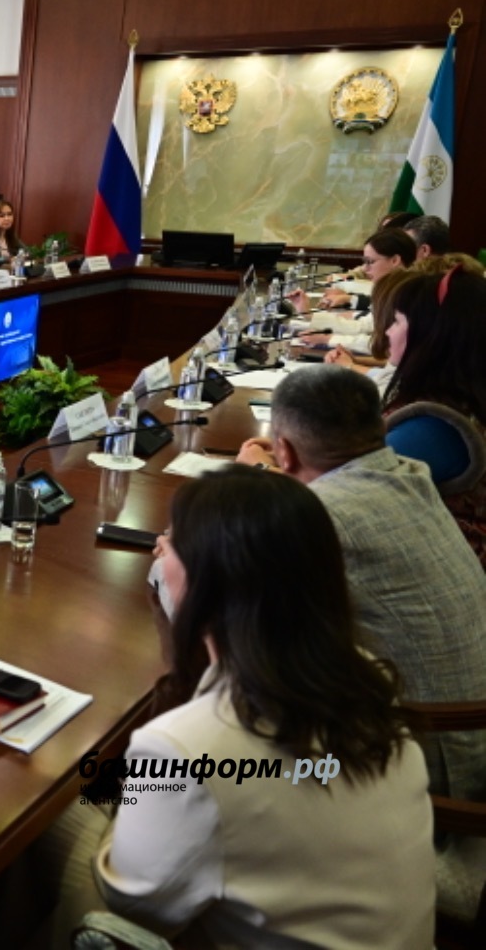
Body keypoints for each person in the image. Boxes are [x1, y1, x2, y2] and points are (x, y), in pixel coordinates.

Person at [72, 468, 434, 947]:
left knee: (67, 825)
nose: (159, 548)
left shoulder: (183, 746)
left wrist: (127, 792)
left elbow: (136, 905)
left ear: (201, 584)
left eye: (172, 542)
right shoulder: (368, 677)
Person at [236, 365, 486, 801]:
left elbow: (224, 611)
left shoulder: (327, 515)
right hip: (468, 734)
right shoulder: (408, 473)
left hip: (432, 760)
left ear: (285, 452)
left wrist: (169, 564)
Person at [377, 267, 486, 564]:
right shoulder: (460, 401)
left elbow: (344, 496)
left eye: (397, 321)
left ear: (430, 335)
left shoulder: (434, 429)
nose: (388, 331)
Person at [321, 227, 416, 310]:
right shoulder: (394, 287)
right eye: (365, 262)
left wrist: (348, 299)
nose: (365, 269)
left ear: (395, 260)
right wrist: (348, 298)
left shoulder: (411, 293)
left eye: (370, 261)